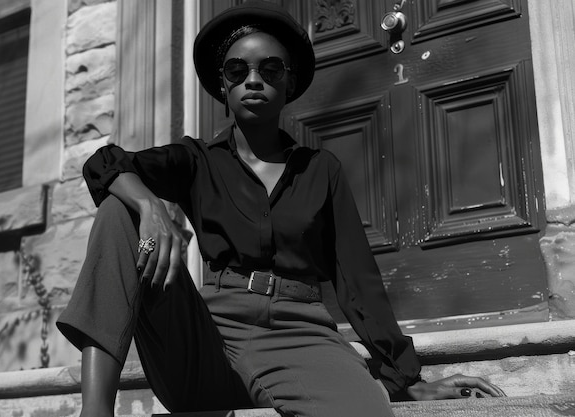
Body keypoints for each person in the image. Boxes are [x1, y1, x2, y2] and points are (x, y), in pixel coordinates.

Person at [57, 2, 505, 416]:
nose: (254, 79)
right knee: (121, 212)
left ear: (288, 82)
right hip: (209, 342)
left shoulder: (319, 170)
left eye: (270, 69)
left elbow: (357, 280)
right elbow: (104, 164)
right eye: (238, 70)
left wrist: (405, 379)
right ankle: (95, 411)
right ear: (223, 83)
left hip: (300, 336)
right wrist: (150, 205)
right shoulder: (197, 160)